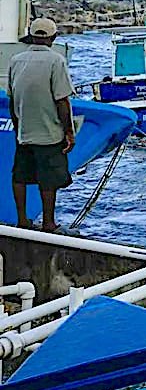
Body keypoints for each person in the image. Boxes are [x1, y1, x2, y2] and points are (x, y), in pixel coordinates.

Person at [9, 18, 75, 232]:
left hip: (24, 131)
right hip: (49, 132)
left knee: (20, 175)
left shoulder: (16, 60)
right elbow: (62, 100)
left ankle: (21, 220)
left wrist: (17, 125)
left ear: (31, 35)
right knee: (48, 179)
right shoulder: (57, 61)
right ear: (53, 37)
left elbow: (12, 98)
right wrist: (69, 131)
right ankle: (49, 223)